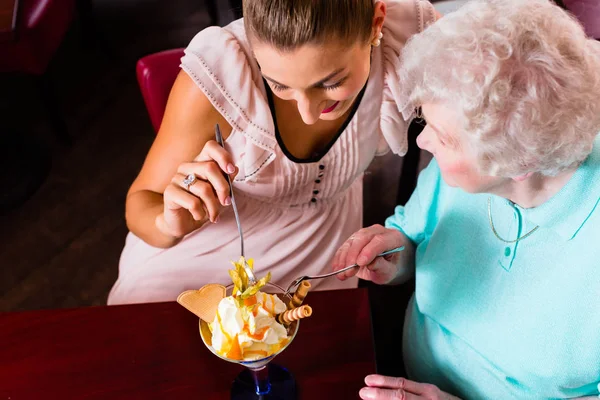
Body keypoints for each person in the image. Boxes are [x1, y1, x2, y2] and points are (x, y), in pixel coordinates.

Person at [332, 0, 600, 398]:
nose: (422, 142)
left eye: (442, 137)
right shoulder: (458, 169)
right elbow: (416, 232)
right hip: (398, 370)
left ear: (519, 161)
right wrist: (397, 254)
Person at [108, 0, 440, 305]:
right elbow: (141, 200)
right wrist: (169, 223)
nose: (308, 113)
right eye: (279, 86)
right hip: (198, 262)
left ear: (375, 24)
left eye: (330, 83)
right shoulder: (222, 73)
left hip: (322, 265)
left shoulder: (412, 35)